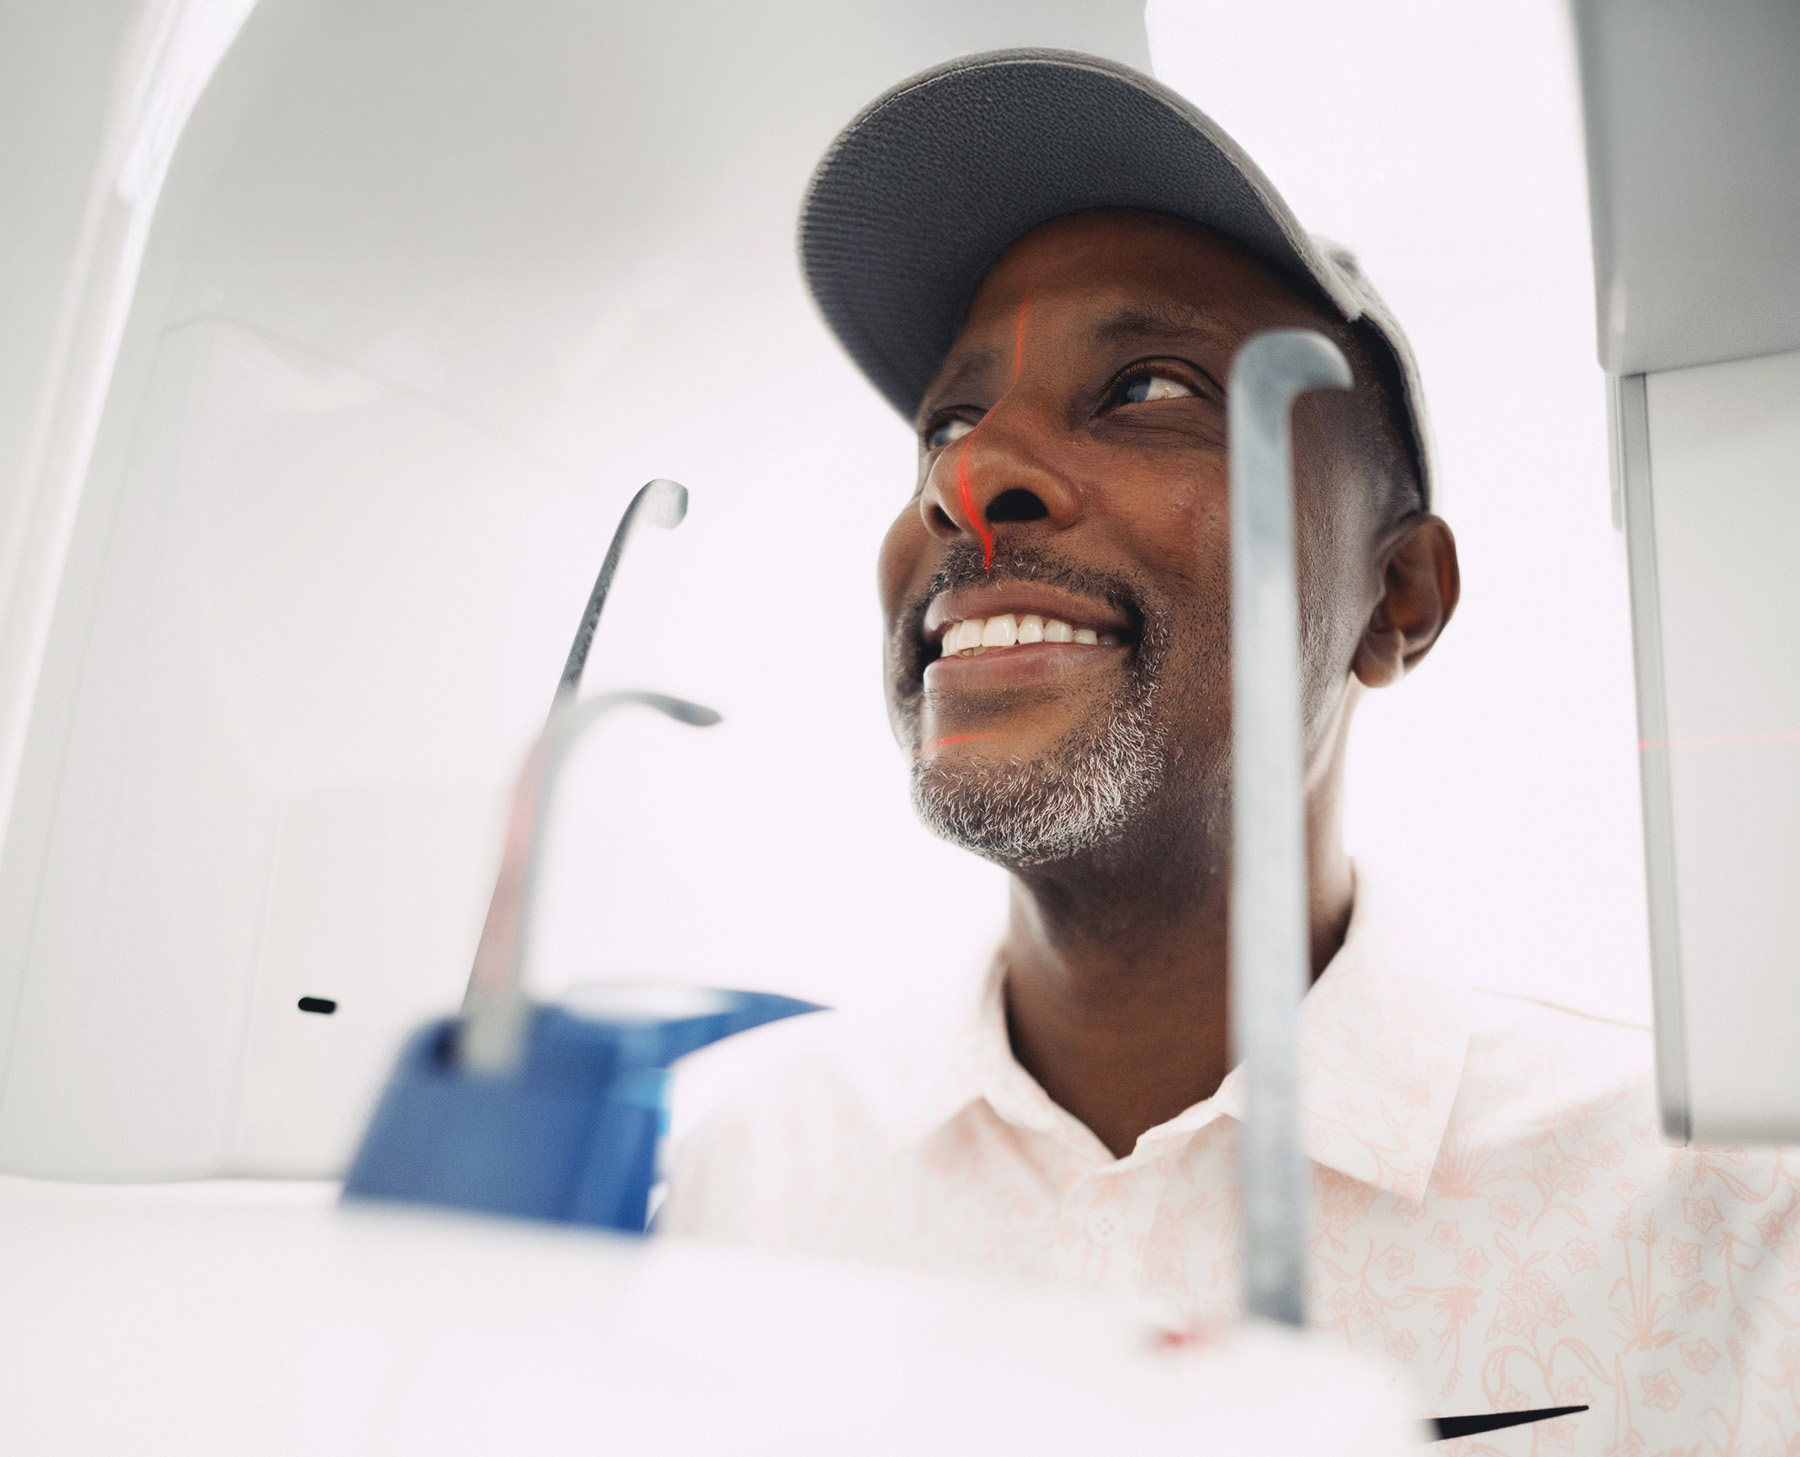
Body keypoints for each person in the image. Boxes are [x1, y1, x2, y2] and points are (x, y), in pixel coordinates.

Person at [665, 50, 1800, 1450]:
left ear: (1398, 601)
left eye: (1148, 387)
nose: (969, 481)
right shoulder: (736, 1171)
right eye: (946, 424)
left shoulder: (1724, 1222)